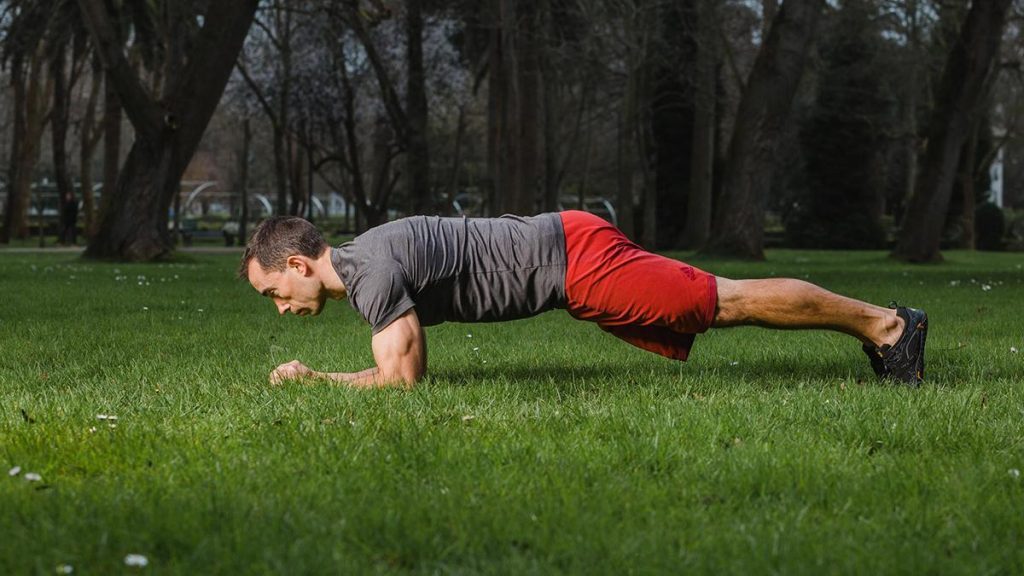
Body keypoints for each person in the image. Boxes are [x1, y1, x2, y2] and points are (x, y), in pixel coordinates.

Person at [239, 212, 927, 389]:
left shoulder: (370, 273)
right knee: (720, 304)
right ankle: (881, 330)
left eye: (275, 292)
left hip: (577, 262)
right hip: (571, 259)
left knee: (724, 300)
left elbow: (402, 384)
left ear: (297, 264)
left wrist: (314, 379)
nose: (280, 307)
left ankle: (888, 327)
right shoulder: (370, 258)